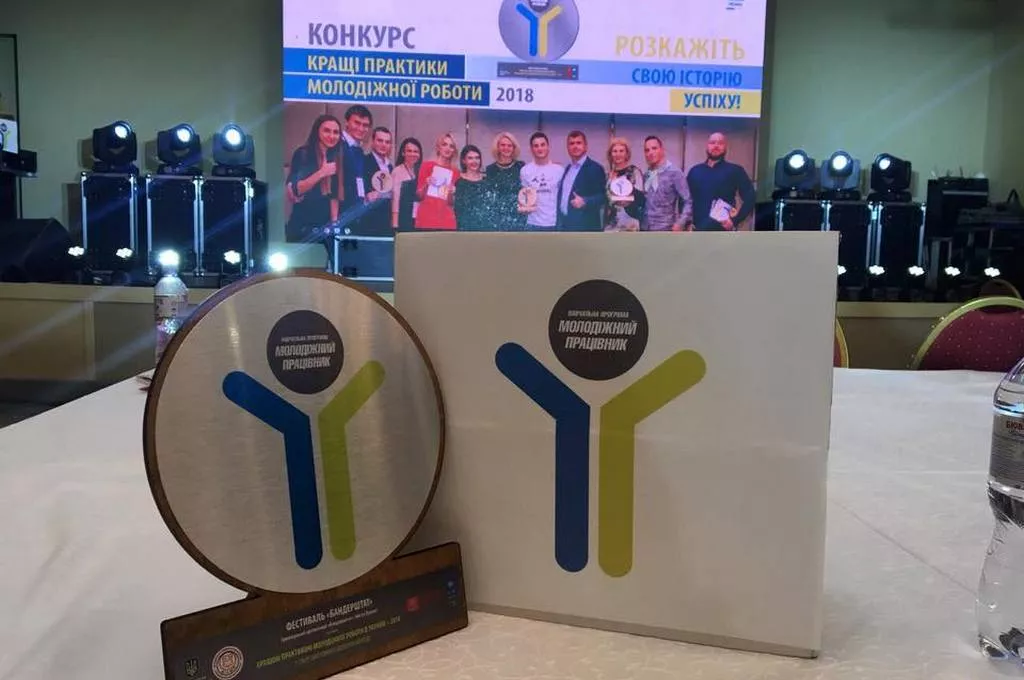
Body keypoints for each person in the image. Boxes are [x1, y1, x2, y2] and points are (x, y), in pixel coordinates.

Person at [284, 114, 341, 243]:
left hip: (327, 228)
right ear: (317, 132)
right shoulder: (303, 153)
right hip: (303, 225)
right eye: (327, 131)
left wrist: (334, 224)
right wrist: (322, 173)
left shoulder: (338, 157)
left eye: (336, 132)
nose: (331, 136)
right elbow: (296, 190)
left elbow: (335, 195)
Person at [686, 132, 756, 231]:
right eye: (712, 142)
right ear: (707, 146)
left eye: (720, 143)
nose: (716, 146)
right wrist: (687, 223)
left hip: (723, 231)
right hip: (697, 231)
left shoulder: (735, 170)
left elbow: (750, 197)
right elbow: (685, 199)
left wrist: (735, 221)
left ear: (725, 147)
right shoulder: (695, 171)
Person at [556, 130, 607, 231]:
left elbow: (603, 196)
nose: (575, 146)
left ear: (586, 146)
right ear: (567, 148)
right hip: (565, 226)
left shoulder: (595, 168)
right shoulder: (568, 168)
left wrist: (585, 201)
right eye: (571, 143)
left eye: (579, 143)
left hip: (585, 228)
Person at [640, 135, 692, 232]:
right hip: (645, 229)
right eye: (647, 150)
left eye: (654, 148)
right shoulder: (646, 175)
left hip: (665, 229)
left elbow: (688, 201)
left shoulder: (675, 173)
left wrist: (681, 222)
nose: (650, 152)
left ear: (662, 150)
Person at [336, 104, 373, 231]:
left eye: (365, 125)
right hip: (339, 214)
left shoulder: (359, 150)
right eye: (357, 123)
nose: (361, 128)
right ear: (346, 122)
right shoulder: (337, 145)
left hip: (354, 214)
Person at [414, 132, 460, 230]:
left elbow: (451, 203)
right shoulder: (426, 166)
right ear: (438, 147)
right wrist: (427, 184)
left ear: (454, 151)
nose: (447, 148)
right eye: (444, 144)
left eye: (451, 146)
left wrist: (451, 193)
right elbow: (419, 196)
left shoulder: (456, 172)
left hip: (446, 220)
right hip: (426, 218)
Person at [520, 132, 563, 230]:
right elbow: (524, 197)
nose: (540, 148)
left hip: (554, 223)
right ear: (531, 149)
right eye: (536, 146)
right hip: (532, 223)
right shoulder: (525, 171)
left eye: (542, 145)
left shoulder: (559, 170)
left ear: (548, 147)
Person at [485, 131, 527, 231]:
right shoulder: (490, 170)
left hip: (518, 218)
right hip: (497, 219)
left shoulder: (521, 166)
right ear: (497, 147)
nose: (506, 148)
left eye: (509, 145)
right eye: (503, 145)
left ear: (514, 148)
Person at [603, 137, 645, 232]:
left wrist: (627, 198)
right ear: (610, 154)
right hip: (610, 224)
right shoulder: (607, 176)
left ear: (627, 154)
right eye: (615, 151)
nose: (618, 154)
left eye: (621, 151)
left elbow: (641, 198)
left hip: (630, 223)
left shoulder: (634, 172)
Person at [359, 126, 394, 236]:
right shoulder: (363, 161)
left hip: (386, 222)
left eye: (387, 142)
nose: (384, 145)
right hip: (368, 221)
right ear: (372, 142)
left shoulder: (390, 167)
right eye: (380, 140)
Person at [453, 145, 493, 230]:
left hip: (484, 228)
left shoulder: (487, 181)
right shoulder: (457, 180)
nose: (474, 161)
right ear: (464, 161)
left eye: (477, 158)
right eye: (470, 158)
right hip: (463, 228)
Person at [390, 137, 422, 231]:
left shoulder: (421, 171)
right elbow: (395, 199)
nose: (413, 154)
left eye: (416, 151)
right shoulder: (397, 171)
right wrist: (395, 224)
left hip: (417, 218)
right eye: (409, 151)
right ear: (403, 153)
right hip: (403, 218)